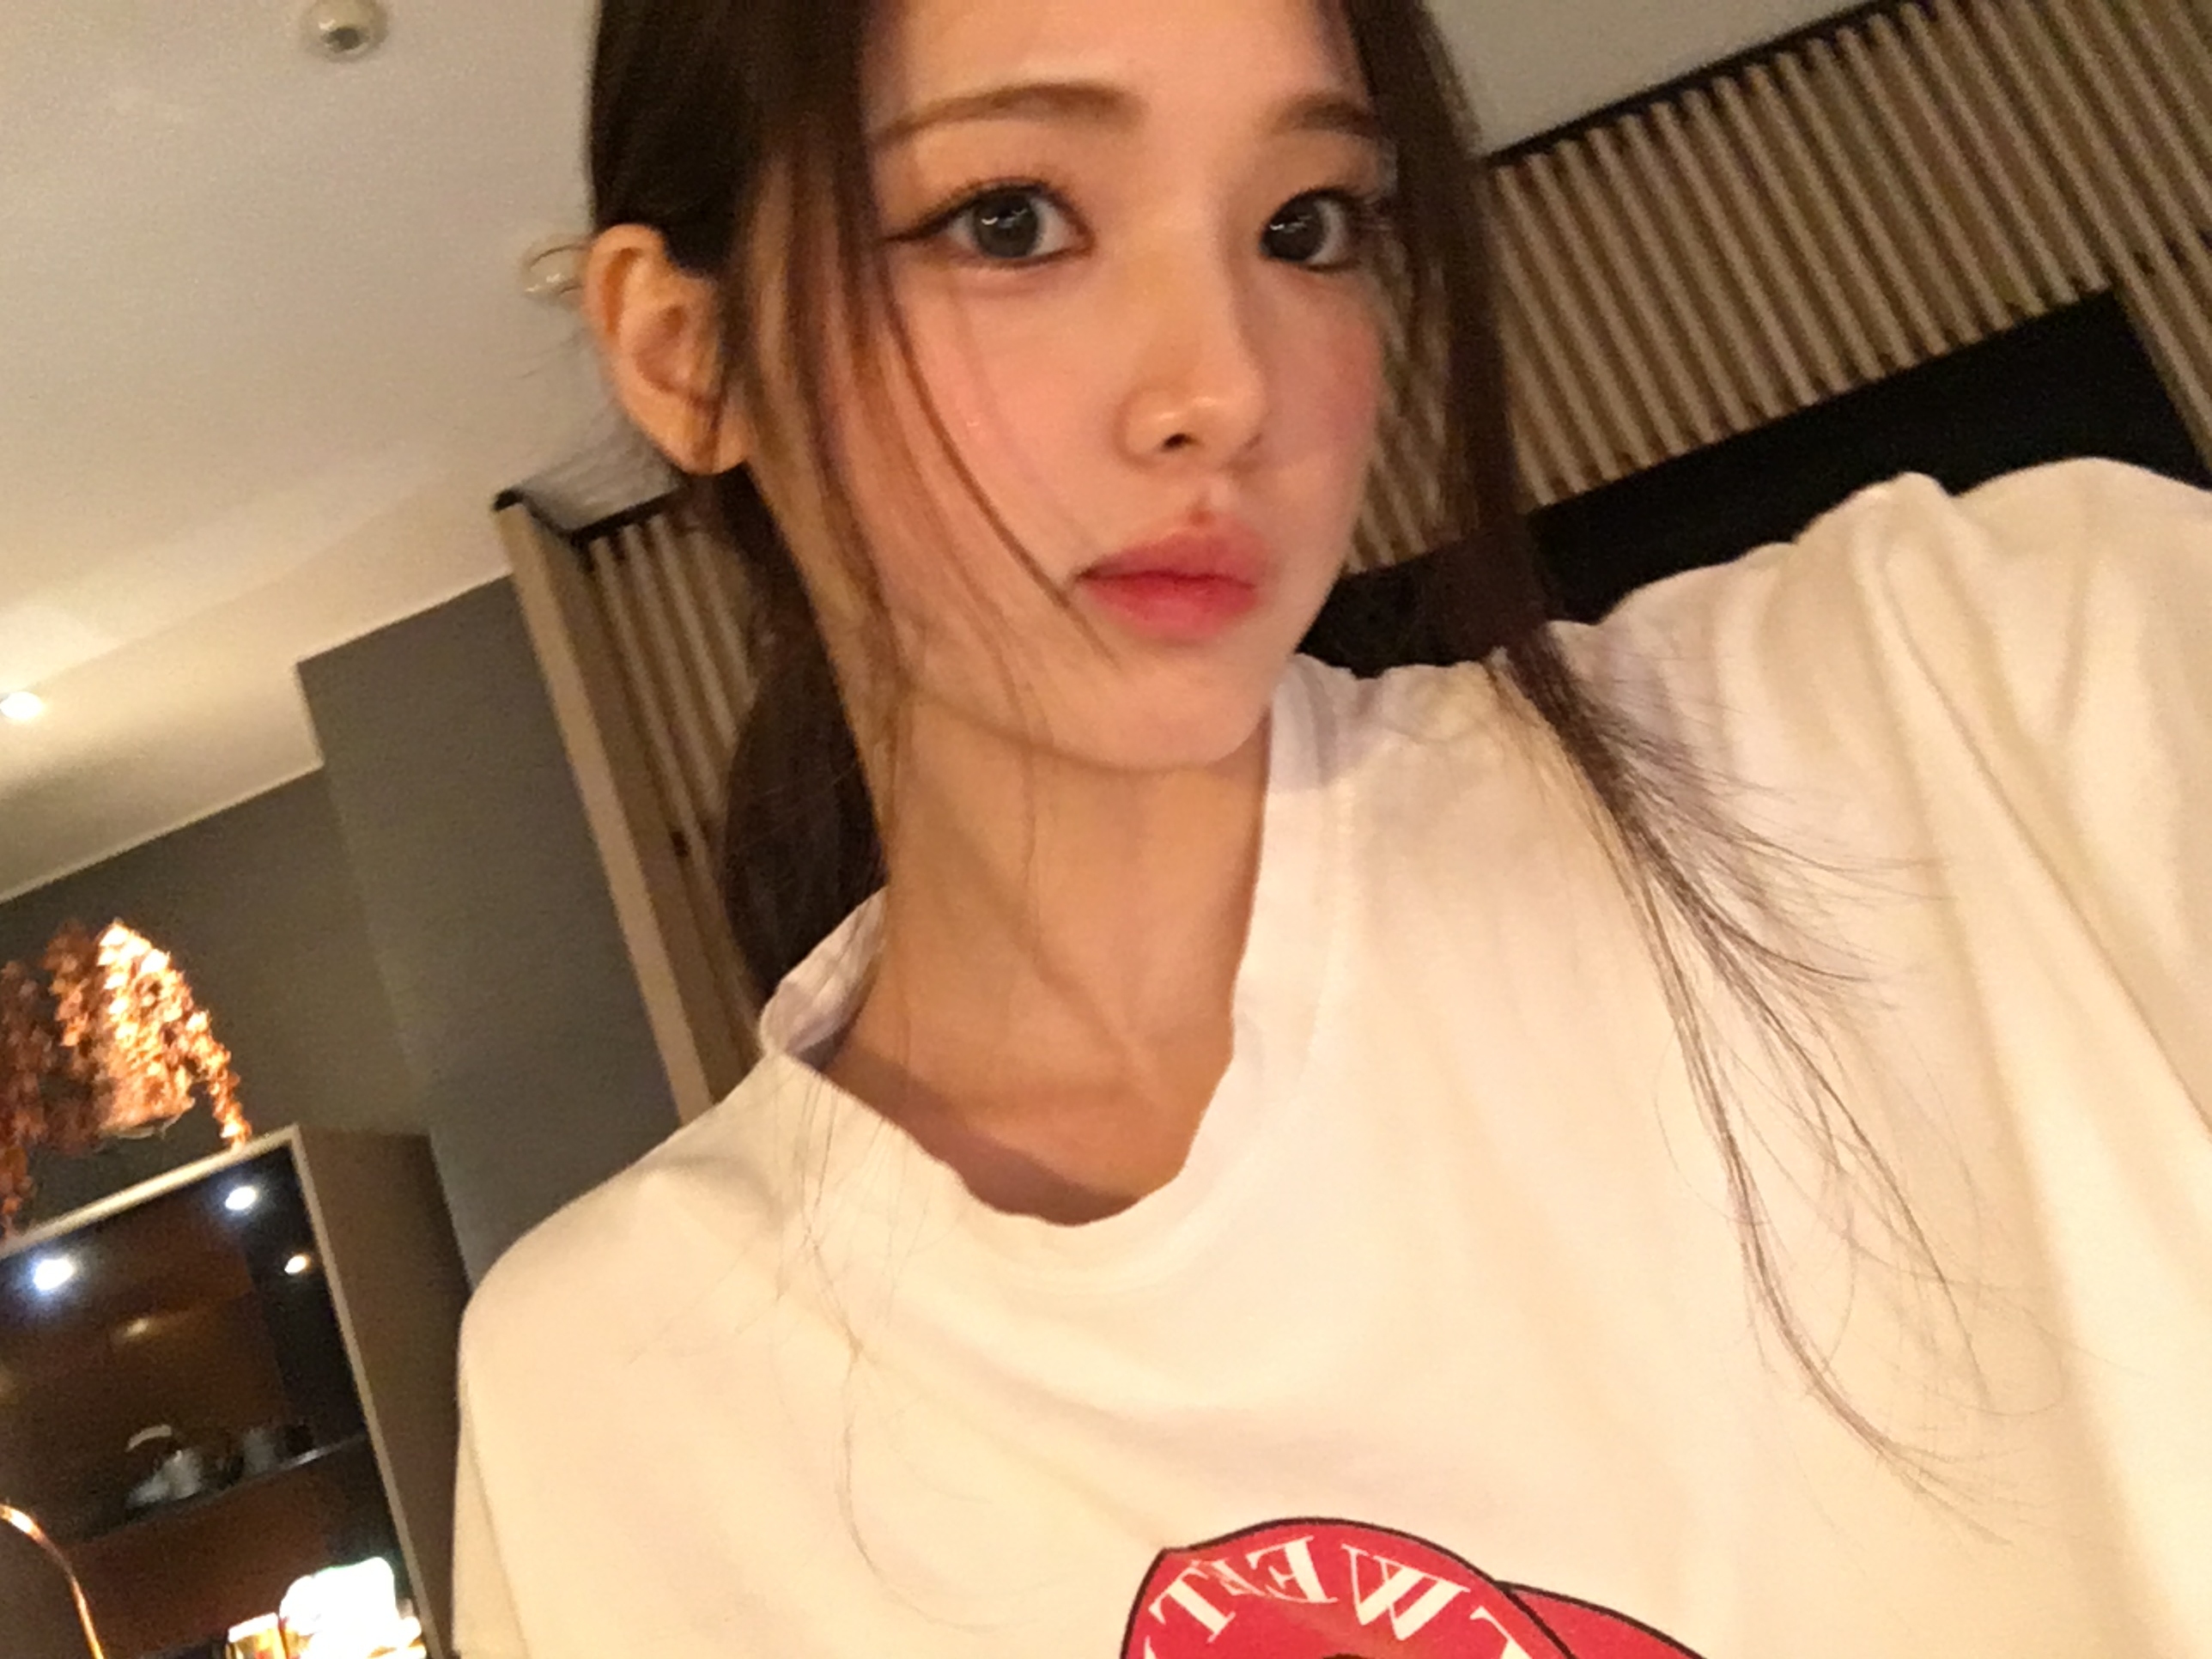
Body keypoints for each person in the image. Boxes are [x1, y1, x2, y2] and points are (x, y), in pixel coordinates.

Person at [449, 0, 2212, 1652]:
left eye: (1305, 227)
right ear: (688, 354)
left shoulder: (1978, 692)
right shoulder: (610, 1409)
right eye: (1009, 222)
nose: (1225, 389)